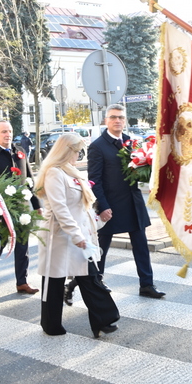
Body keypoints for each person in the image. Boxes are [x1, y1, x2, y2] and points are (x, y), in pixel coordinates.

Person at [35, 134, 120, 337]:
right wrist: (75, 234)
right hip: (59, 237)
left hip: (78, 235)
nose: (78, 155)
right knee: (54, 281)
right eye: (77, 151)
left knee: (90, 277)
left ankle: (103, 319)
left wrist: (96, 223)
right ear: (67, 151)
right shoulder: (54, 173)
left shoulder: (72, 172)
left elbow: (82, 206)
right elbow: (60, 208)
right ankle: (50, 324)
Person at [87, 105, 165, 299]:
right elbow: (94, 181)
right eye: (113, 117)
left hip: (133, 203)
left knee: (141, 245)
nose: (118, 121)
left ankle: (146, 285)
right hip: (110, 206)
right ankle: (96, 284)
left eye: (121, 117)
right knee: (101, 248)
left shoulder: (131, 142)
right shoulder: (97, 146)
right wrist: (102, 206)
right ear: (106, 121)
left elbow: (139, 169)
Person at [0, 120, 40, 294]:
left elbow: (29, 179)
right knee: (0, 244)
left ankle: (22, 281)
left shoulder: (19, 152)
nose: (8, 135)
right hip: (1, 208)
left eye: (10, 131)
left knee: (22, 245)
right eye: (4, 132)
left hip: (21, 207)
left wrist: (36, 204)